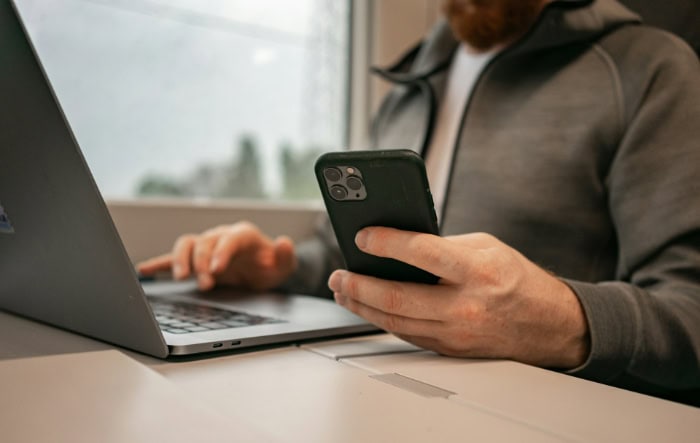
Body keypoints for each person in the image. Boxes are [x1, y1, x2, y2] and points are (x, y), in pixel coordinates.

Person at [138, 0, 700, 400]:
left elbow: (690, 310)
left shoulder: (650, 69)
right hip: (379, 392)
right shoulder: (410, 83)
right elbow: (348, 260)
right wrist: (281, 266)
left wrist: (561, 321)